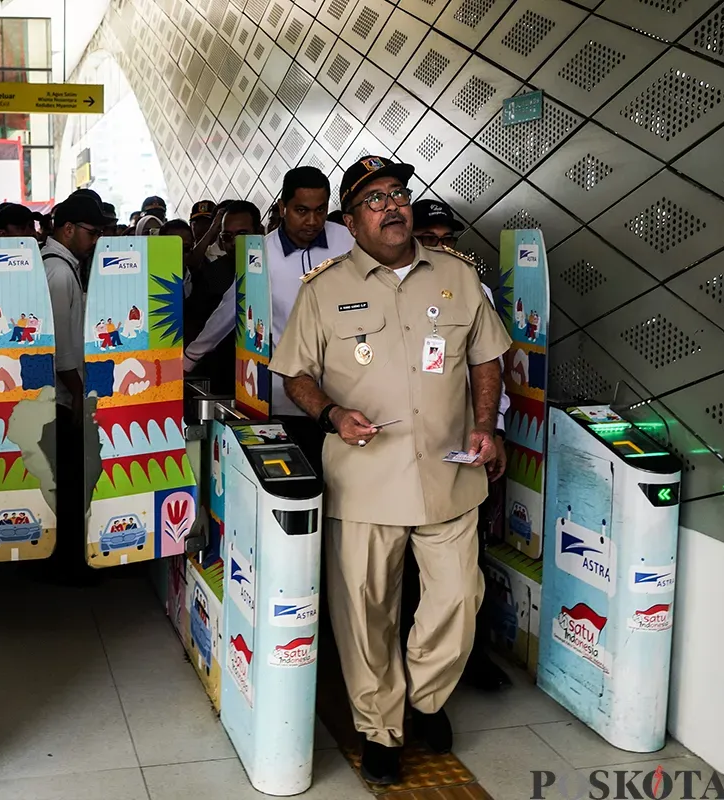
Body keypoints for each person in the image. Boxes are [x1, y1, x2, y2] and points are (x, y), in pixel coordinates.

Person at [269, 156, 511, 784]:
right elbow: (295, 374)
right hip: (365, 479)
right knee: (365, 613)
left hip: (450, 476)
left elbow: (487, 359)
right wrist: (331, 413)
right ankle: (380, 729)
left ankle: (423, 698)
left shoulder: (457, 277)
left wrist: (485, 425)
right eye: (374, 200)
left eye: (399, 193)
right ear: (350, 222)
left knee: (459, 600)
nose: (393, 206)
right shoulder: (322, 290)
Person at [184, 166, 354, 472]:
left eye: (320, 210)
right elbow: (229, 309)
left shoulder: (350, 241)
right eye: (302, 210)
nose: (313, 221)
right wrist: (188, 359)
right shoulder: (260, 253)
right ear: (282, 207)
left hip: (345, 395)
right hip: (283, 399)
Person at [407, 198, 512, 692]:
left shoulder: (473, 287)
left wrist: (496, 432)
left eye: (447, 239)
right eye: (429, 239)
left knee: (468, 563)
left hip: (465, 445)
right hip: (401, 449)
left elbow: (491, 367)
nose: (440, 247)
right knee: (406, 569)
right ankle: (408, 671)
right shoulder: (389, 289)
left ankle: (469, 658)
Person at [41, 193, 114, 583]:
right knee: (68, 483)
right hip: (62, 398)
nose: (96, 239)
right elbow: (59, 351)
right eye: (92, 231)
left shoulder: (65, 267)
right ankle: (67, 565)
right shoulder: (59, 272)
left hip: (66, 395)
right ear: (68, 229)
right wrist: (81, 400)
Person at [183, 200, 262, 395]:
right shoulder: (212, 274)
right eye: (227, 236)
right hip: (221, 378)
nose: (234, 243)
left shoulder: (276, 267)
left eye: (242, 234)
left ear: (259, 231)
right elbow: (197, 325)